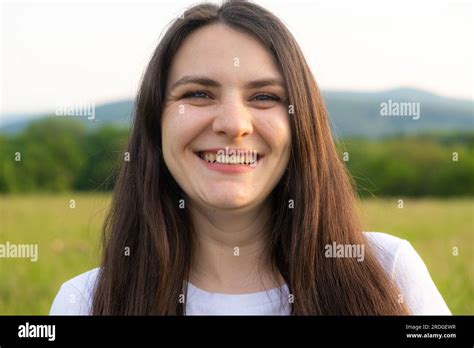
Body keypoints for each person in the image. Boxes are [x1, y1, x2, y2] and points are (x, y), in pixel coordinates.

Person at [50, 0, 451, 315]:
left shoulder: (389, 272)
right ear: (156, 123)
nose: (233, 123)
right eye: (198, 94)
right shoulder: (83, 303)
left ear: (301, 126)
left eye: (264, 97)